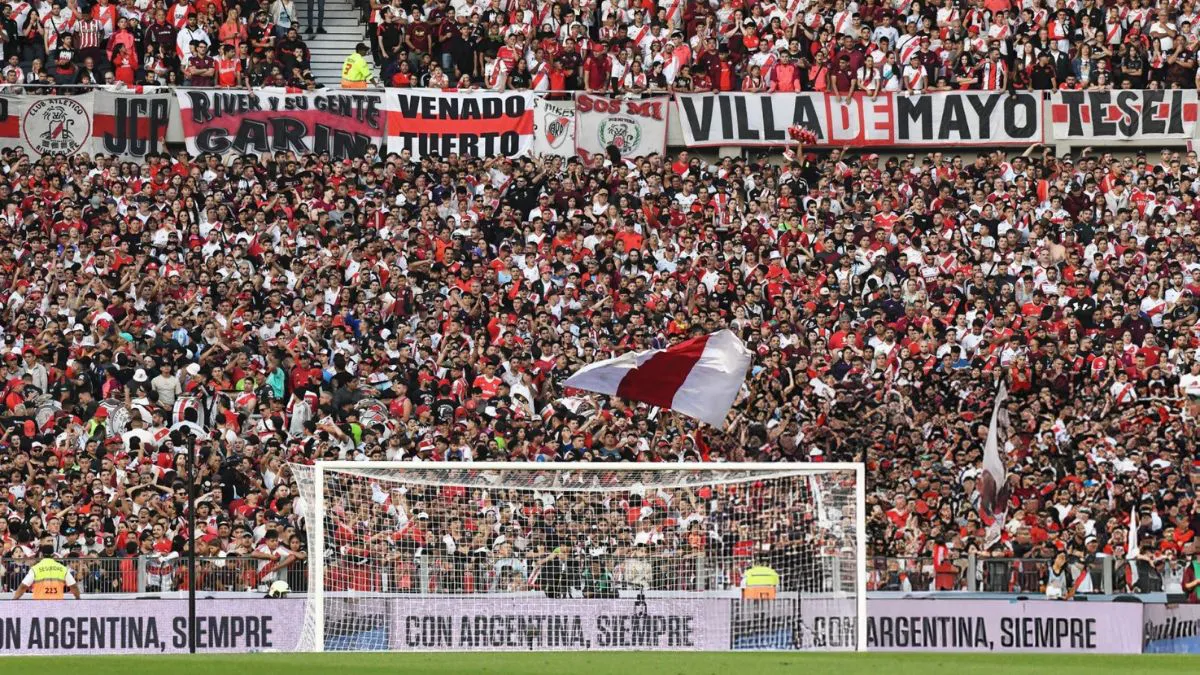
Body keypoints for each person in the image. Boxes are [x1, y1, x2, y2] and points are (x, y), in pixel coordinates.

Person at [12, 548, 82, 600]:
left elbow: (23, 586)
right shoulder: (63, 568)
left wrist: (14, 599)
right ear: (53, 555)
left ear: (42, 555)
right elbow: (74, 586)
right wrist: (78, 598)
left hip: (39, 603)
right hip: (57, 604)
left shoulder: (35, 569)